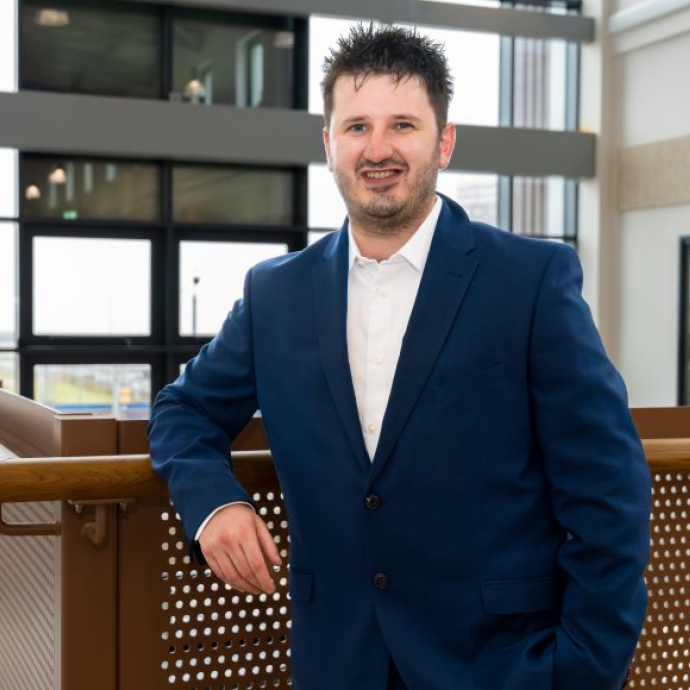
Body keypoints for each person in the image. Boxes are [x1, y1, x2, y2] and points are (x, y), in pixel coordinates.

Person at [149, 24, 650, 690]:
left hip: (503, 666)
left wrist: (582, 670)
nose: (377, 149)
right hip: (337, 665)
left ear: (443, 141)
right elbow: (182, 411)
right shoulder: (276, 293)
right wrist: (215, 505)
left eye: (403, 125)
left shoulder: (531, 280)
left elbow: (607, 493)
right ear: (328, 144)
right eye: (356, 126)